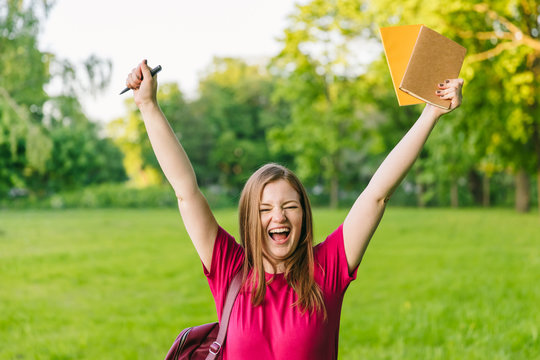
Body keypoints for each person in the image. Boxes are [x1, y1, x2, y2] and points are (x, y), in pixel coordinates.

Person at [125, 60, 464, 359]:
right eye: (265, 209)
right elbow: (186, 191)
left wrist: (430, 113)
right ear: (249, 219)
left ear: (304, 215)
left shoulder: (327, 270)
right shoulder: (230, 269)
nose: (279, 216)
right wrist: (148, 105)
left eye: (290, 206)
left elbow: (376, 194)